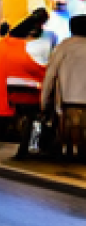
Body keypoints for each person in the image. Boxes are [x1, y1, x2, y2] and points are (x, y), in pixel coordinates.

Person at [41, 15, 86, 160]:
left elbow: (50, 75)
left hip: (67, 103)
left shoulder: (63, 47)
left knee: (67, 133)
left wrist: (43, 101)